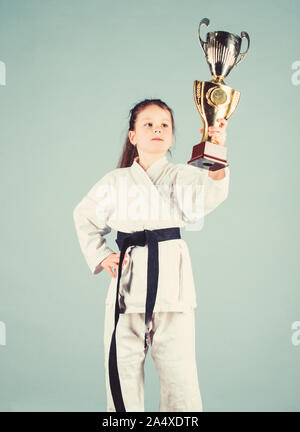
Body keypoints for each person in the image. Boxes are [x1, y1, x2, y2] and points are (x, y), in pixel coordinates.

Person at [73, 98, 230, 412]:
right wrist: (101, 255)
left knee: (181, 379)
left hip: (173, 290)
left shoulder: (182, 176)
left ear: (171, 137)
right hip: (127, 291)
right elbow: (84, 216)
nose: (157, 129)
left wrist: (216, 147)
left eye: (164, 126)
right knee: (122, 374)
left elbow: (211, 193)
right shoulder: (115, 182)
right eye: (148, 124)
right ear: (133, 136)